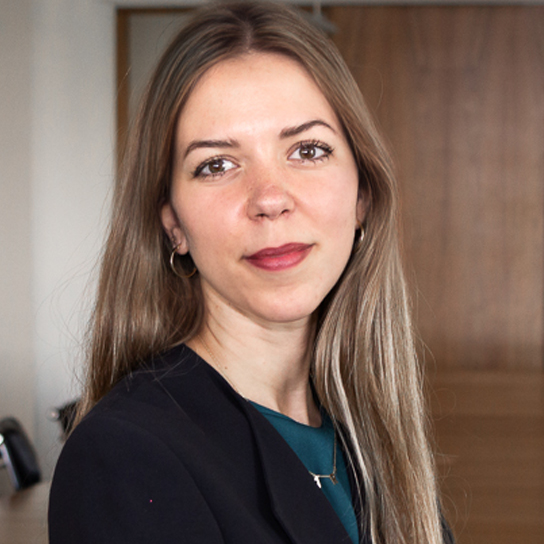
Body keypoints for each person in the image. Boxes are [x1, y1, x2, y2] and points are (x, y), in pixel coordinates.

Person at [48, 2, 453, 544]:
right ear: (174, 226)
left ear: (362, 196)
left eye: (307, 150)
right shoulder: (124, 457)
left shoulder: (372, 435)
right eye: (217, 164)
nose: (269, 199)